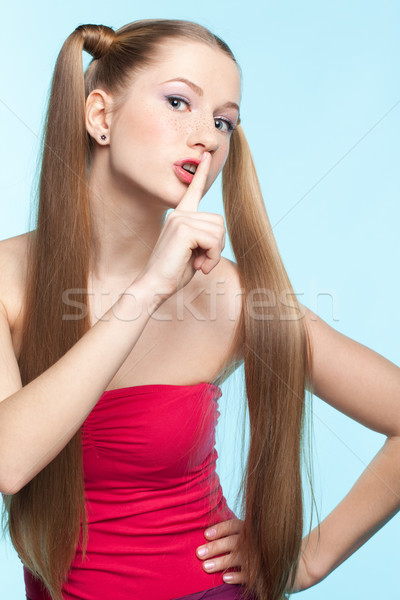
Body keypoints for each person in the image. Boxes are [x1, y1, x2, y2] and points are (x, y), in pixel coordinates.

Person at [0, 17, 399, 600]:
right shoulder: (8, 281)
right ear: (100, 116)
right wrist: (149, 290)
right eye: (179, 102)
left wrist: (305, 561)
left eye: (222, 121)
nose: (207, 137)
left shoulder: (232, 296)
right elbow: (10, 462)